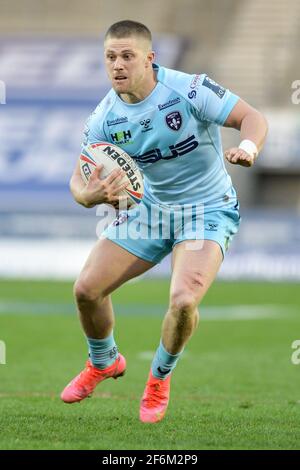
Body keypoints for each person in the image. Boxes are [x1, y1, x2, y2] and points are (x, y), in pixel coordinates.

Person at [61, 20, 268, 423]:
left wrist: (247, 147)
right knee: (86, 289)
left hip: (205, 210)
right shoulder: (104, 116)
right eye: (110, 57)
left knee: (184, 300)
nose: (117, 65)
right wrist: (88, 196)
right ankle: (103, 362)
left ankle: (159, 377)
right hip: (151, 211)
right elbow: (79, 177)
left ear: (149, 59)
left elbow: (253, 118)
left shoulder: (189, 90)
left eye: (127, 56)